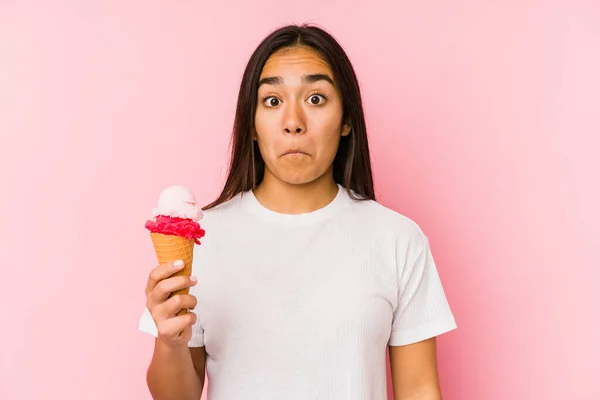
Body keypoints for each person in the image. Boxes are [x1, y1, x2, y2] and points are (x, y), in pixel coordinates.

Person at [139, 23, 457, 400]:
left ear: (347, 120)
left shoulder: (398, 240)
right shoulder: (203, 240)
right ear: (252, 125)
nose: (293, 123)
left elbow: (419, 389)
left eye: (316, 98)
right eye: (272, 101)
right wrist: (170, 341)